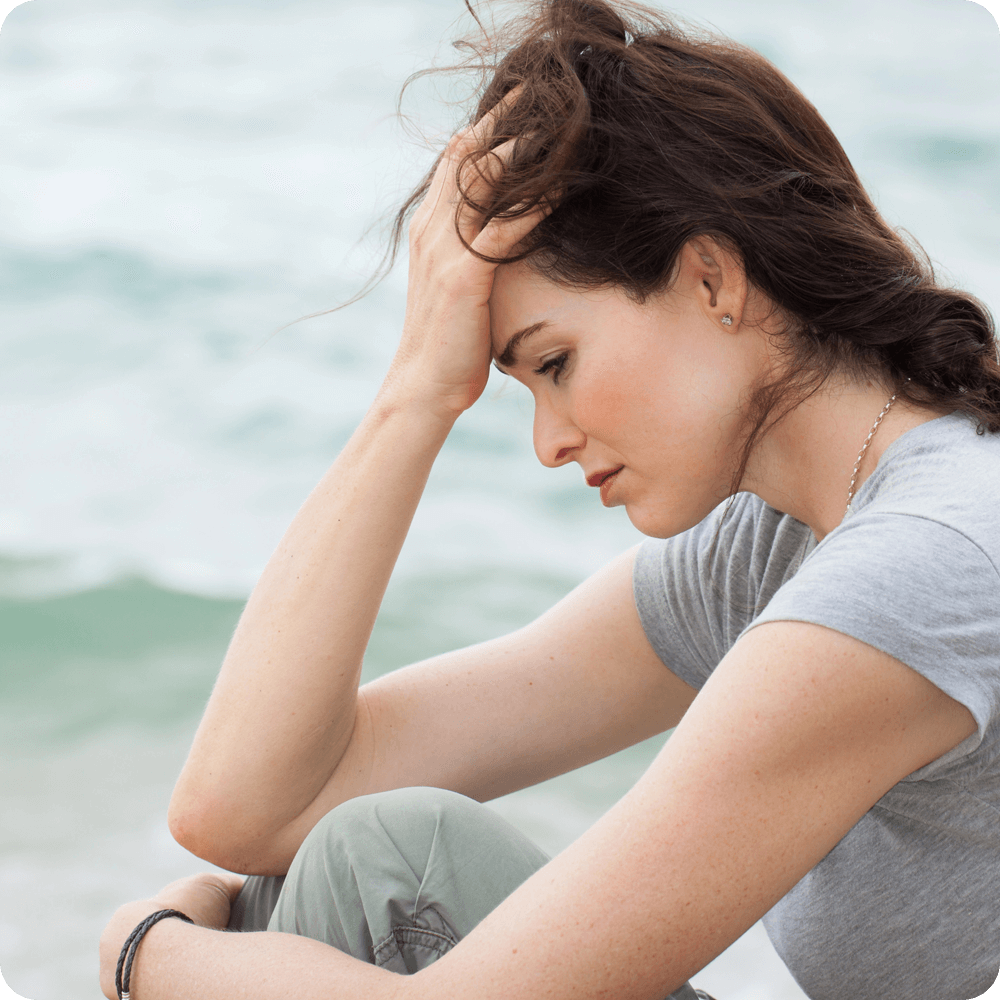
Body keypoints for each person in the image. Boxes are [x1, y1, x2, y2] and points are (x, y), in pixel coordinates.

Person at [99, 2, 1000, 998]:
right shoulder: (770, 554)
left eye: (555, 363)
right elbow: (252, 806)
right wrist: (417, 393)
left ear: (711, 280)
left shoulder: (922, 561)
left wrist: (150, 956)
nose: (547, 442)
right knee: (381, 851)